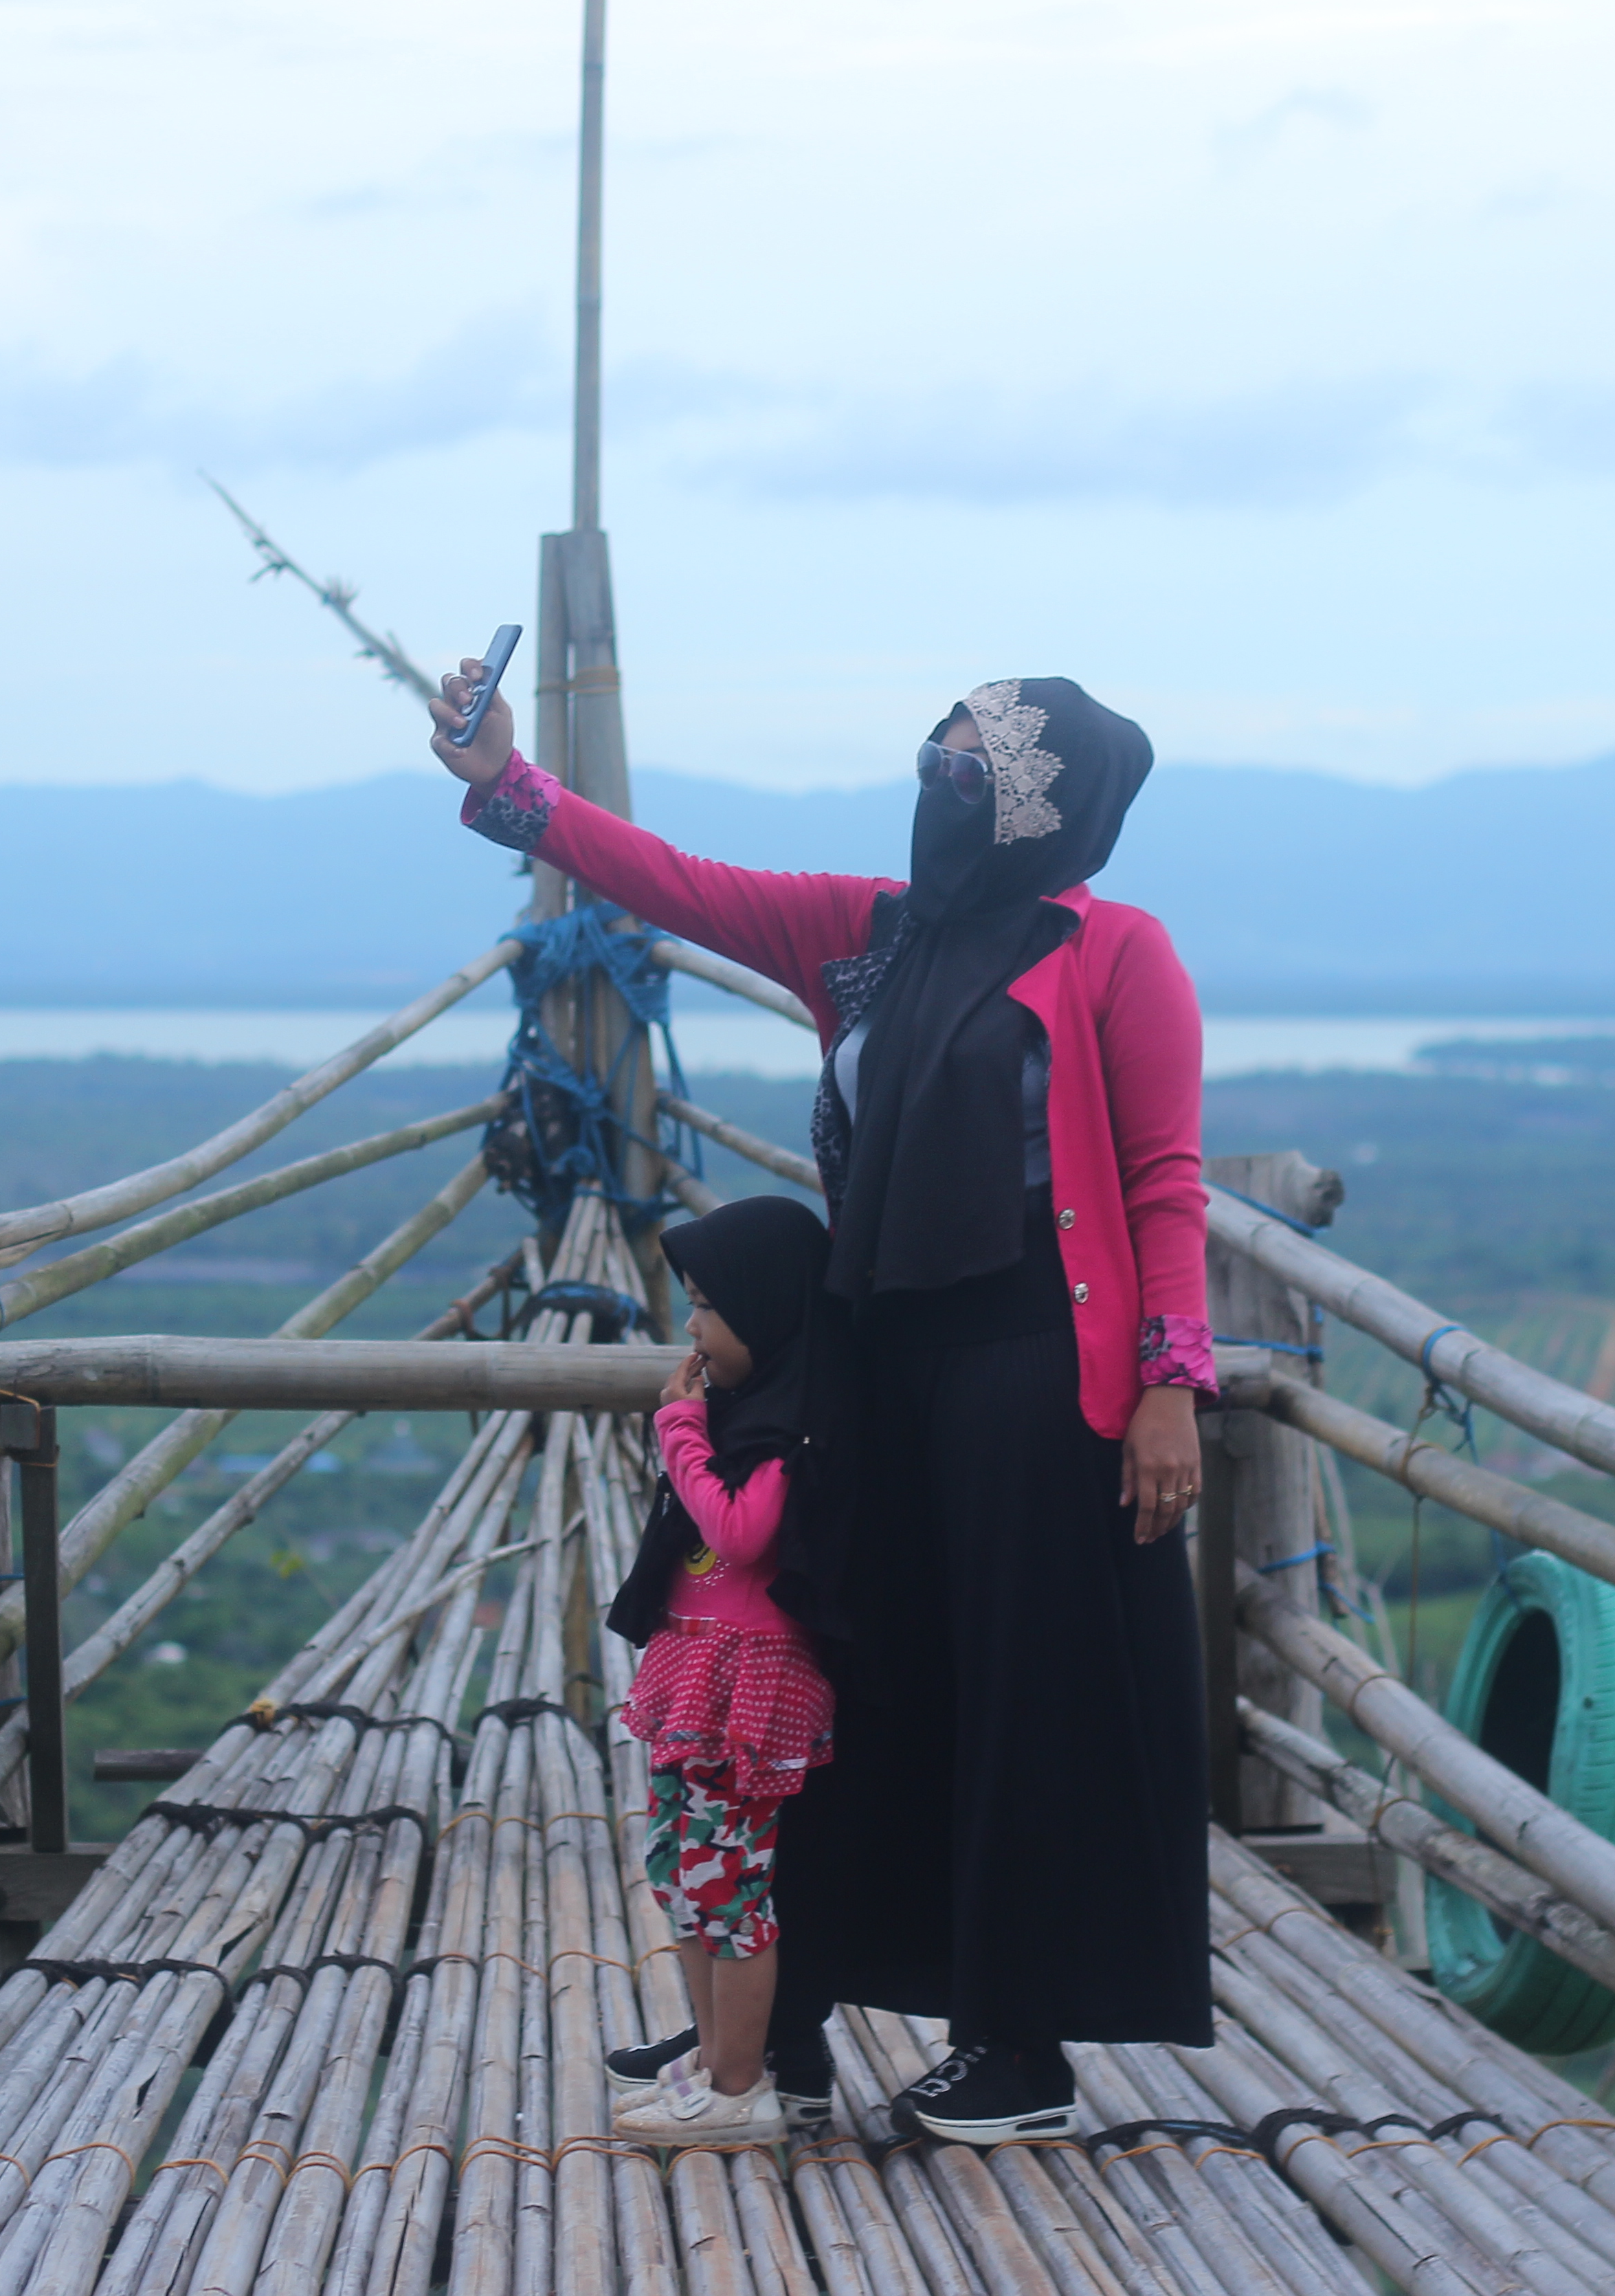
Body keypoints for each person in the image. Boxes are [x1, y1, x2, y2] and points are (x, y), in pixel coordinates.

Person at [431, 662, 1214, 2146]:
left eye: (975, 766)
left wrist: (1172, 1388)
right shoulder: (869, 940)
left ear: (1050, 803)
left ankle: (1020, 2052)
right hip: (872, 1367)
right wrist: (505, 781)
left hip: (1039, 1376)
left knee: (1015, 1697)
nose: (940, 782)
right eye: (933, 753)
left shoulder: (1115, 954)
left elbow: (1168, 1183)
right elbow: (673, 881)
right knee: (848, 1686)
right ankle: (780, 2022)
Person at [601, 1195, 855, 2149]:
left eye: (709, 1305)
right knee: (686, 1876)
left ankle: (739, 2087)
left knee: (732, 1889)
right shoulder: (748, 1412)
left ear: (770, 1309)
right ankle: (712, 2070)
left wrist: (680, 1431)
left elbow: (744, 1536)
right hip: (698, 1672)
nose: (694, 1328)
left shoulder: (795, 1427)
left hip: (750, 1682)